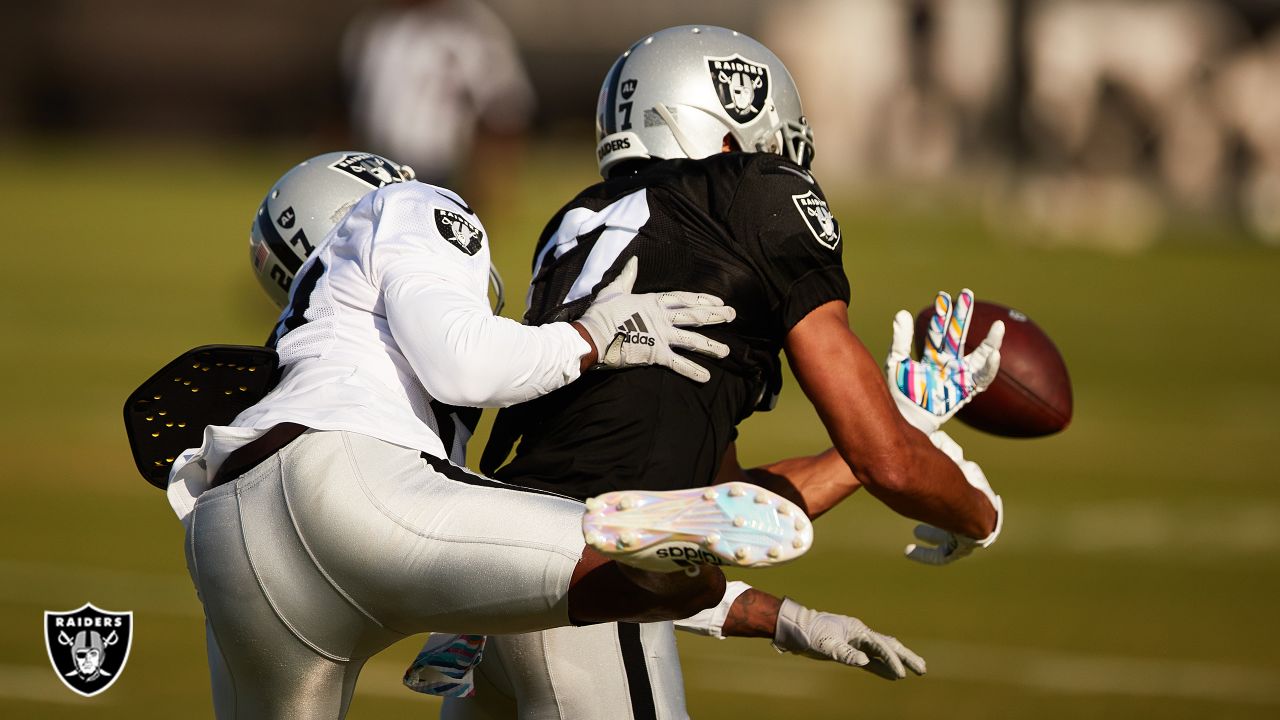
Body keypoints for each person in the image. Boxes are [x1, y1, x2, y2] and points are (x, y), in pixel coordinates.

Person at [419, 25, 1006, 720]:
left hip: (501, 575)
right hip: (602, 577)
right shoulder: (755, 192)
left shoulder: (583, 221)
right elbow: (891, 465)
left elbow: (720, 504)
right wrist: (976, 512)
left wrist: (896, 429)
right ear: (727, 133)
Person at [167, 150, 816, 719]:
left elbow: (475, 528)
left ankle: (633, 535)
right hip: (348, 486)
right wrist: (596, 336)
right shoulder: (404, 205)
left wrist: (780, 618)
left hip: (230, 526)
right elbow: (466, 365)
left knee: (657, 572)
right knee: (641, 568)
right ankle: (632, 518)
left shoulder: (310, 338)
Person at [342, 0, 534, 205]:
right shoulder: (375, 25)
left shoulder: (470, 26)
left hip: (440, 172)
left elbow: (502, 107)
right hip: (374, 162)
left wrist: (488, 180)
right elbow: (350, 97)